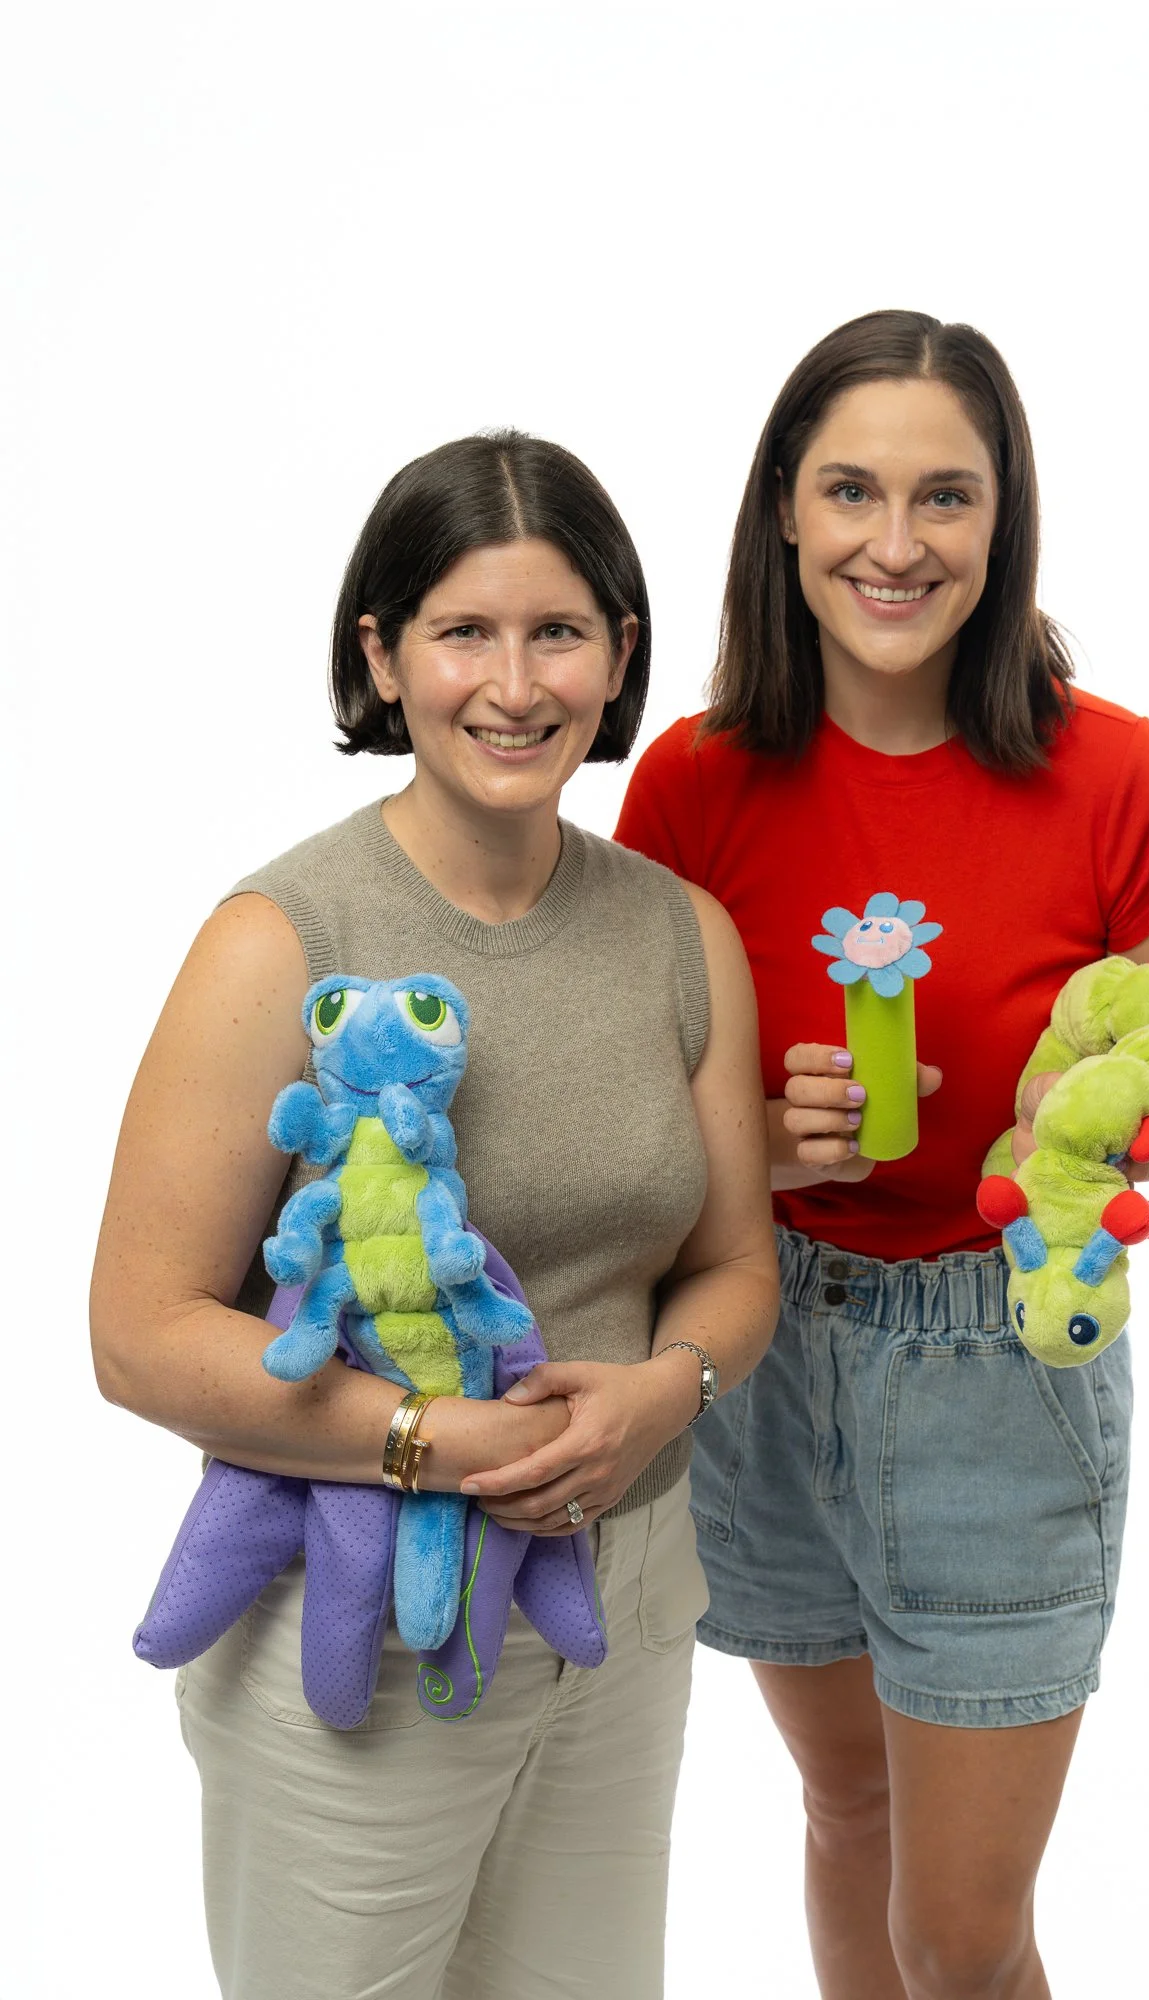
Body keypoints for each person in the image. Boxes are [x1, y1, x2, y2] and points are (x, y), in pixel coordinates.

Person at [90, 430, 778, 2000]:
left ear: (619, 657)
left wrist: (662, 1395)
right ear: (383, 656)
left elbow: (737, 1262)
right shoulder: (283, 938)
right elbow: (137, 1336)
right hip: (355, 1607)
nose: (515, 685)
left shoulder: (681, 935)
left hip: (623, 1591)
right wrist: (438, 1442)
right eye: (465, 630)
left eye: (560, 632)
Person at [615, 311, 1149, 2000]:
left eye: (945, 497)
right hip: (766, 1352)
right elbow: (636, 1120)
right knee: (848, 1804)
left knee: (960, 1943)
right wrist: (750, 1150)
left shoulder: (1115, 771)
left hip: (1002, 1358)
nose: (895, 544)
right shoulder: (688, 785)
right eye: (852, 492)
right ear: (783, 509)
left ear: (1002, 516)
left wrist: (1091, 1115)